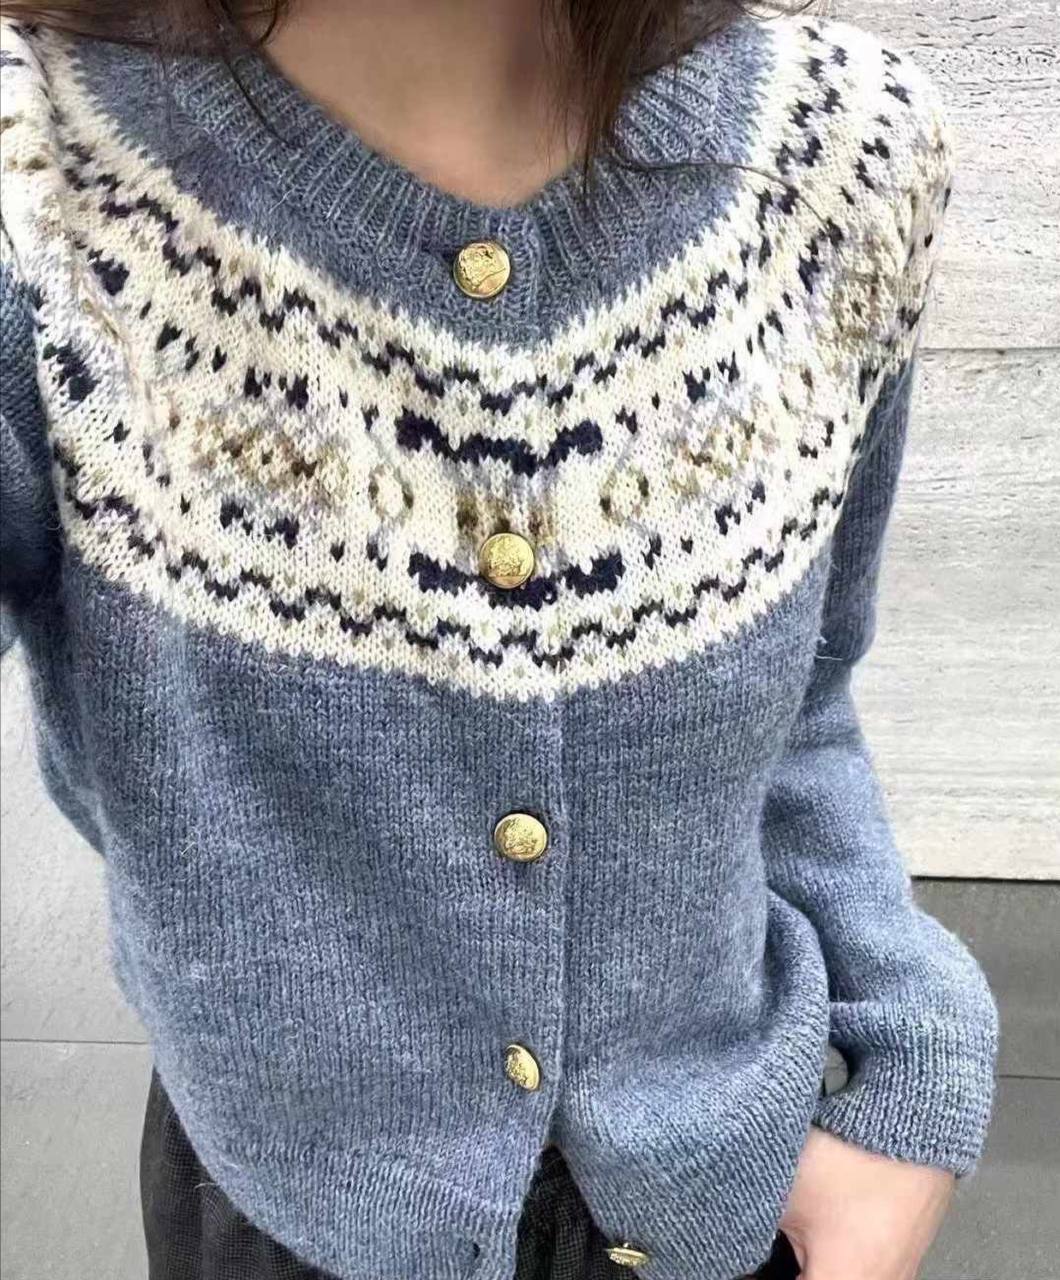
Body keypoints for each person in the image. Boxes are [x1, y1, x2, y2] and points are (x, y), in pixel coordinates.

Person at [0, 1, 1000, 1278]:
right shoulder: (46, 180)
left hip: (732, 1188)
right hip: (292, 1208)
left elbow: (804, 697)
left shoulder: (843, 152)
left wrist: (908, 1056)